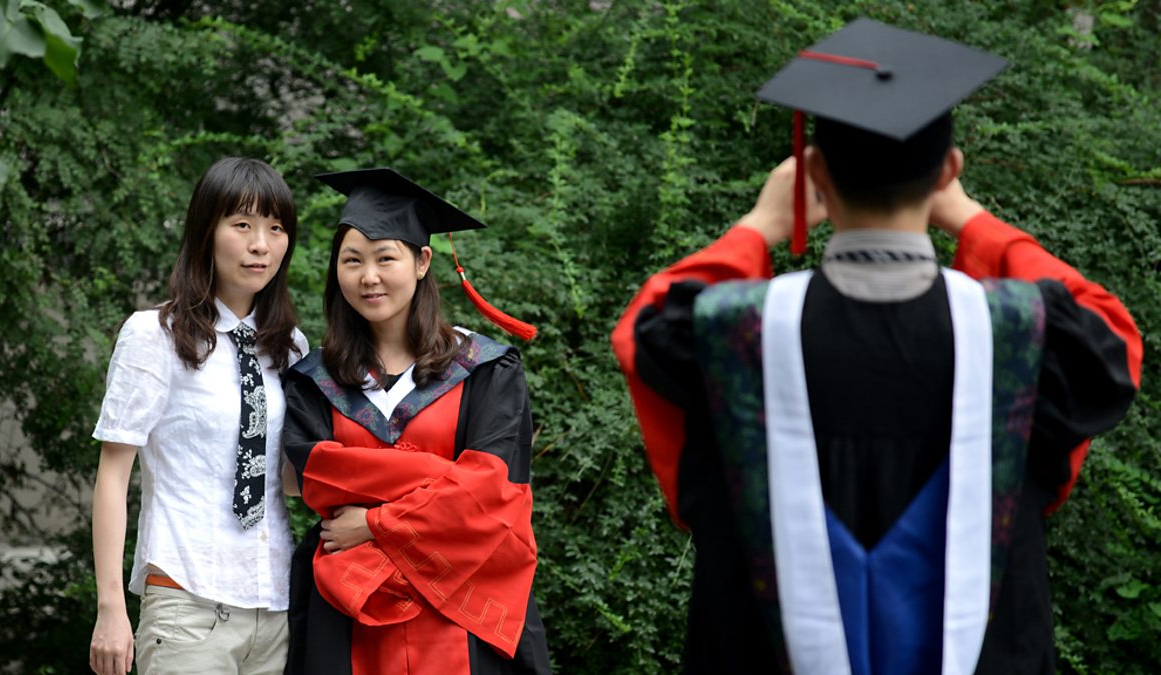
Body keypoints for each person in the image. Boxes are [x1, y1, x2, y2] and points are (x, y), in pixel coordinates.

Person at [611, 18, 1142, 675]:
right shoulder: (1021, 336)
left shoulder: (731, 335)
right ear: (948, 171)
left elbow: (641, 327)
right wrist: (975, 222)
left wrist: (759, 226)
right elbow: (1111, 334)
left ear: (814, 172)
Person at [282, 168, 550, 674]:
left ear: (423, 261)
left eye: (386, 258)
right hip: (351, 605)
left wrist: (374, 522)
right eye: (352, 260)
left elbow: (492, 491)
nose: (369, 276)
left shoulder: (484, 369)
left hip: (461, 605)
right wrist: (444, 477)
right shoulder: (314, 381)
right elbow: (319, 476)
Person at [89, 157, 308, 675]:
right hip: (187, 604)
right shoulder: (154, 337)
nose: (261, 244)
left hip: (275, 606)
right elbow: (113, 475)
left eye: (276, 228)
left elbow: (285, 479)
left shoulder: (290, 347)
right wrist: (111, 608)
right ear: (205, 230)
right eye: (242, 225)